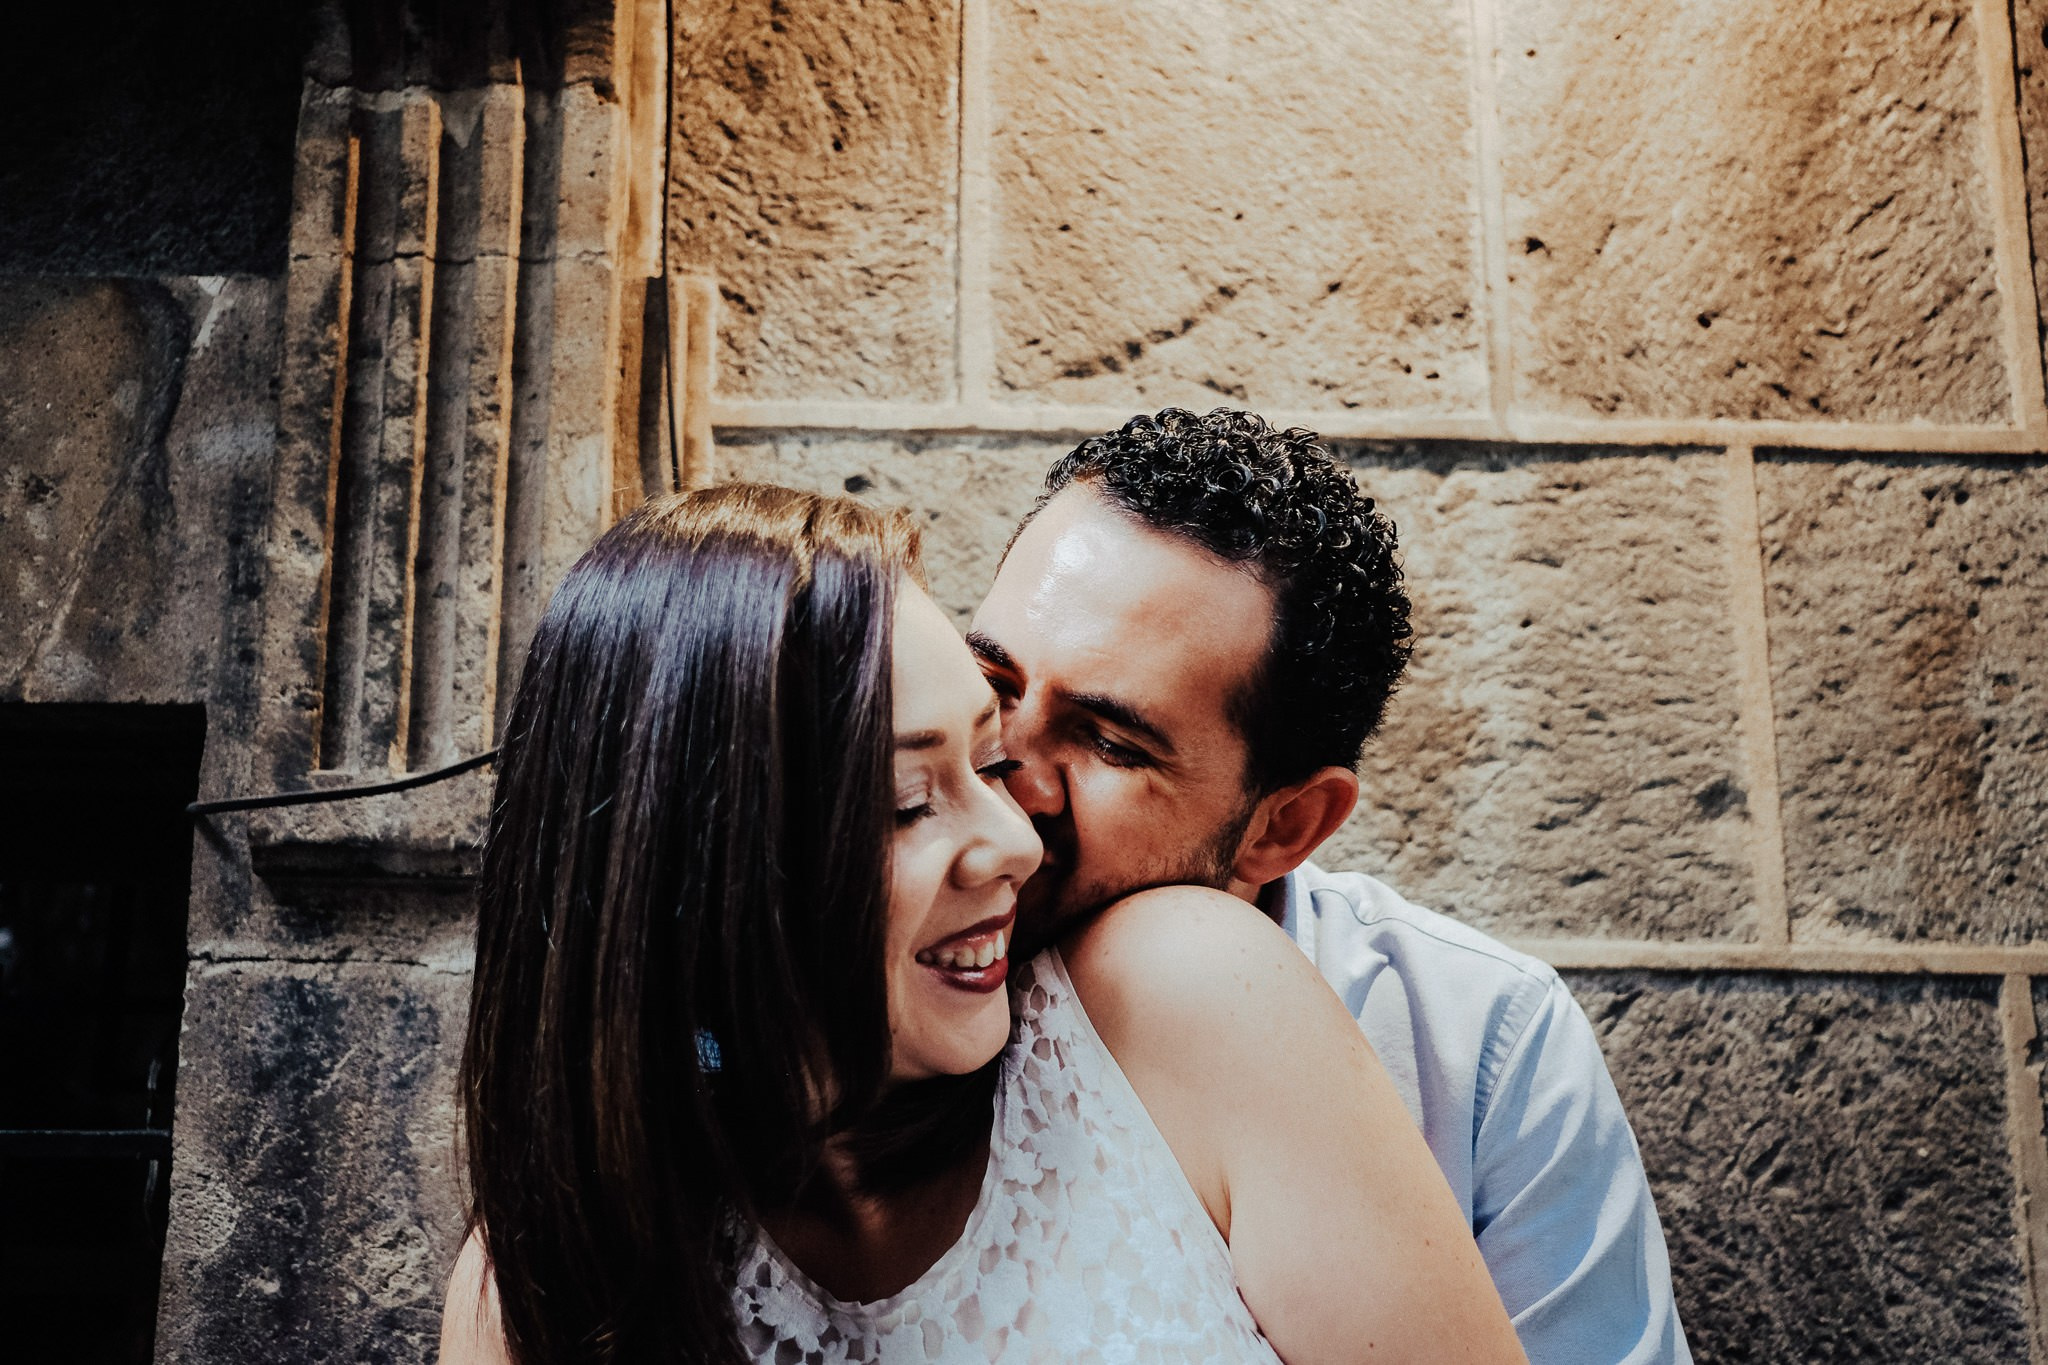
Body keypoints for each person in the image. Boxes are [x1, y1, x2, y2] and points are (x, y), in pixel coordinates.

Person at [439, 484, 1526, 1364]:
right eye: (912, 798)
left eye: (983, 755)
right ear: (705, 862)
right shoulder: (542, 1279)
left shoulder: (1179, 992)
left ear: (1284, 826)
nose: (1013, 834)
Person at [968, 408, 1692, 1365]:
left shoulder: (1481, 1043)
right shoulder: (881, 971)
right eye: (994, 681)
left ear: (1285, 824)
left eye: (1110, 743)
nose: (1010, 773)